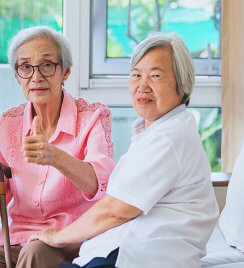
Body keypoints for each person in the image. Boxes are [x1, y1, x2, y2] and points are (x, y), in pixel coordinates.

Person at [0, 26, 116, 268]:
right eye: (25, 67)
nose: (36, 76)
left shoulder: (92, 117)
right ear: (17, 76)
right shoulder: (6, 124)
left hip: (72, 238)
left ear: (65, 71)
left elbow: (100, 185)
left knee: (35, 253)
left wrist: (54, 157)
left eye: (47, 65)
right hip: (16, 241)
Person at [30, 32, 220, 268]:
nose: (142, 86)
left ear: (182, 84)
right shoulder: (157, 131)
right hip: (122, 251)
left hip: (139, 255)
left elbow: (115, 210)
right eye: (136, 75)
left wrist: (58, 236)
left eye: (156, 75)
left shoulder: (170, 137)